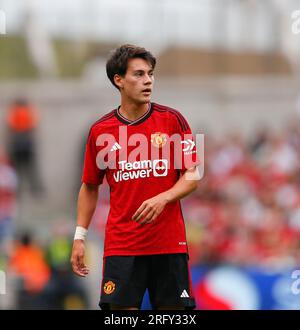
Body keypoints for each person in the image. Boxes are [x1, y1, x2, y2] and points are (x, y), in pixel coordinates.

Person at [70, 44, 201, 310]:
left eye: (150, 74)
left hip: (168, 245)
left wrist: (163, 198)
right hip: (123, 247)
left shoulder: (173, 120)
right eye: (139, 74)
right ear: (118, 80)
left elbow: (193, 174)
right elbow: (89, 186)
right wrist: (79, 236)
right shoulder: (100, 131)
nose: (148, 81)